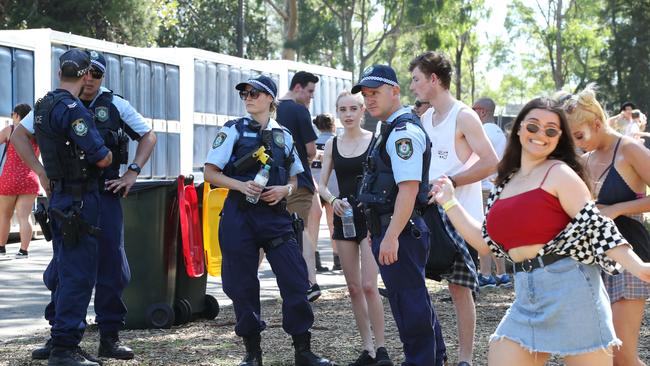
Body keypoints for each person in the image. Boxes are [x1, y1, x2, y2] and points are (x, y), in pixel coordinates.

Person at [432, 96, 650, 365]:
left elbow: (597, 224)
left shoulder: (559, 173)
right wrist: (449, 201)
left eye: (551, 130)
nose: (541, 135)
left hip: (572, 291)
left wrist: (639, 267)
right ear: (520, 128)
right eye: (533, 126)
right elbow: (486, 243)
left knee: (623, 359)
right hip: (527, 294)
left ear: (559, 138)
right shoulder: (505, 182)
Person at [14, 50, 156, 362]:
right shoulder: (54, 103)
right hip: (70, 196)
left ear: (102, 77)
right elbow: (19, 135)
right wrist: (40, 171)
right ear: (79, 74)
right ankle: (60, 337)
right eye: (87, 73)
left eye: (97, 74)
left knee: (111, 267)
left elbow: (148, 135)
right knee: (66, 269)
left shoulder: (114, 104)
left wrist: (133, 171)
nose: (90, 79)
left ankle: (109, 337)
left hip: (104, 194)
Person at [204, 75, 334, 366]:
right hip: (239, 216)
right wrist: (241, 185)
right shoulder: (233, 130)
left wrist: (284, 190)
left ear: (270, 99)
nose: (248, 97)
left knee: (295, 281)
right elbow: (210, 172)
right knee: (242, 286)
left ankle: (303, 351)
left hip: (276, 218)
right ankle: (252, 353)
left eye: (255, 93)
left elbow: (294, 177)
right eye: (245, 93)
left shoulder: (283, 136)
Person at [409, 51, 499, 366]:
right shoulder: (422, 119)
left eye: (416, 79)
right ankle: (437, 353)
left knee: (460, 292)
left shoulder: (464, 115)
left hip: (461, 220)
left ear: (434, 79)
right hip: (425, 218)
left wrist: (451, 183)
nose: (412, 86)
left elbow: (490, 163)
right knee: (415, 286)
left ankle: (465, 359)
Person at [355, 64, 442, 366]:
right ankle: (435, 357)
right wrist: (375, 229)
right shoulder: (389, 128)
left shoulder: (402, 132)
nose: (369, 100)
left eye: (375, 93)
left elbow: (408, 190)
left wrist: (390, 236)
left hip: (401, 232)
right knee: (414, 299)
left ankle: (421, 361)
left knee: (409, 304)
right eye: (365, 95)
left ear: (395, 91)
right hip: (391, 229)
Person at [30, 48, 112, 366]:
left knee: (64, 270)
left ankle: (57, 339)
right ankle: (65, 347)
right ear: (84, 75)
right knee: (78, 274)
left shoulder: (42, 105)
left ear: (59, 73)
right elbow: (100, 156)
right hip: (80, 199)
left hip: (59, 197)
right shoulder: (73, 108)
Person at [561, 86, 650, 366]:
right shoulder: (585, 160)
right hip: (594, 259)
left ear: (597, 124)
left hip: (631, 254)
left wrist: (617, 209)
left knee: (622, 356)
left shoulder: (630, 149)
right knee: (602, 354)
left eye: (579, 136)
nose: (577, 144)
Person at [318, 90, 392, 366]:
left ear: (362, 111)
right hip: (344, 216)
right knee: (353, 287)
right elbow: (321, 185)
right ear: (337, 113)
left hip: (371, 218)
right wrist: (332, 200)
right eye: (342, 110)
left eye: (353, 109)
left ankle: (382, 349)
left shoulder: (375, 141)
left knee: (370, 285)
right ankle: (368, 349)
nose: (348, 114)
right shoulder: (333, 146)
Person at [277, 71, 322, 301]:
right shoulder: (298, 110)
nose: (311, 97)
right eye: (310, 92)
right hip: (299, 181)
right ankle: (309, 282)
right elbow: (311, 150)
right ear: (298, 87)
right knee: (299, 231)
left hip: (273, 181)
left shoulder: (271, 109)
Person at [471, 97, 510, 288]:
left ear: (482, 111)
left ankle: (485, 274)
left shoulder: (485, 131)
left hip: (485, 188)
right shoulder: (499, 133)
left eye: (473, 109)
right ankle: (501, 273)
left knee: (482, 231)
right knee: (493, 232)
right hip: (494, 187)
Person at [0, 103, 38, 259]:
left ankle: (1, 248)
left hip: (9, 178)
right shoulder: (35, 133)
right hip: (30, 178)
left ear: (16, 115)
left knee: (4, 215)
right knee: (25, 216)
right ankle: (23, 251)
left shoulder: (10, 130)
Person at [311, 113, 339, 272]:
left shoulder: (312, 143)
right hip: (332, 186)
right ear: (333, 125)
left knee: (313, 224)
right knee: (333, 223)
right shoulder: (336, 142)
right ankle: (338, 258)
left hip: (314, 186)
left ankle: (314, 259)